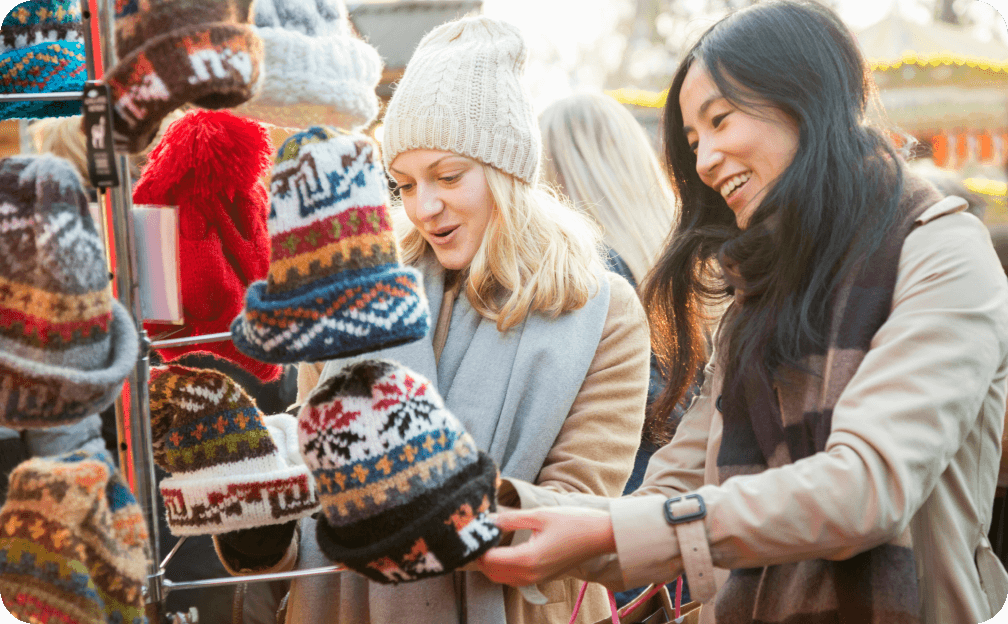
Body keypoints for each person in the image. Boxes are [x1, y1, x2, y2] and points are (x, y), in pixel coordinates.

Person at [476, 2, 1008, 623]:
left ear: (803, 101)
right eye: (695, 141)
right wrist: (493, 510)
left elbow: (866, 489)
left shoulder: (940, 251)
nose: (702, 160)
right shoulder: (756, 299)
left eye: (720, 120)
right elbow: (671, 492)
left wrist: (616, 534)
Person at [212, 15, 651, 624]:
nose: (424, 207)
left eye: (448, 177)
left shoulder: (600, 309)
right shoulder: (357, 292)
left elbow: (579, 514)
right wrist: (260, 513)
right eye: (405, 183)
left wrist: (415, 493)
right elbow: (317, 499)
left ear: (508, 171)